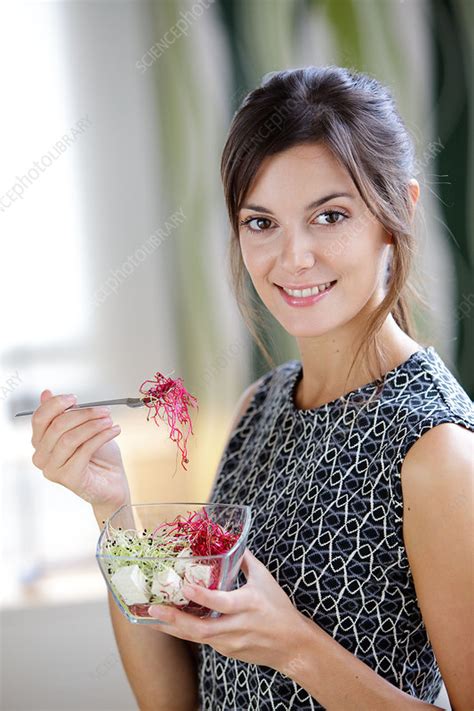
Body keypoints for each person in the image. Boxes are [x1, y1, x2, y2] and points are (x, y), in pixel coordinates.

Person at [31, 65, 473, 711]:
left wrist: (294, 645)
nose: (292, 258)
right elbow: (179, 697)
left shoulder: (439, 453)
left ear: (396, 212)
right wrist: (115, 513)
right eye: (261, 222)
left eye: (329, 215)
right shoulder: (260, 405)